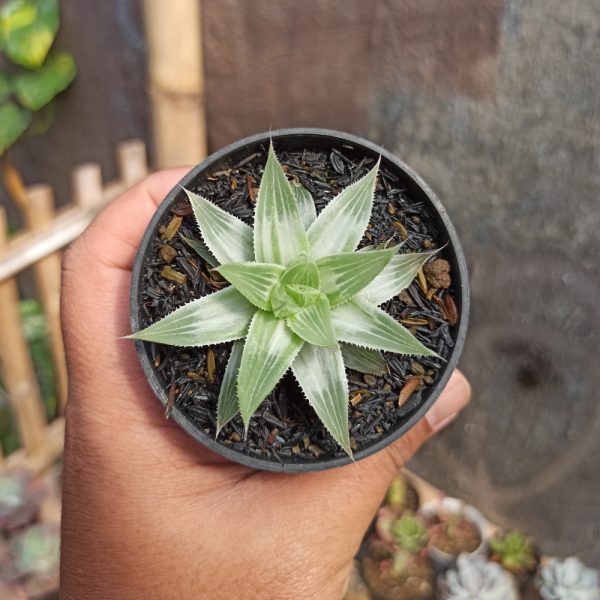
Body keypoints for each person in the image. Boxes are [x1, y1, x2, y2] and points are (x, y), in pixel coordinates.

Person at [58, 170, 471, 599]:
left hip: (318, 308)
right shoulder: (273, 291)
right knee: (239, 384)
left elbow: (355, 295)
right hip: (260, 309)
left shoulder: (321, 297)